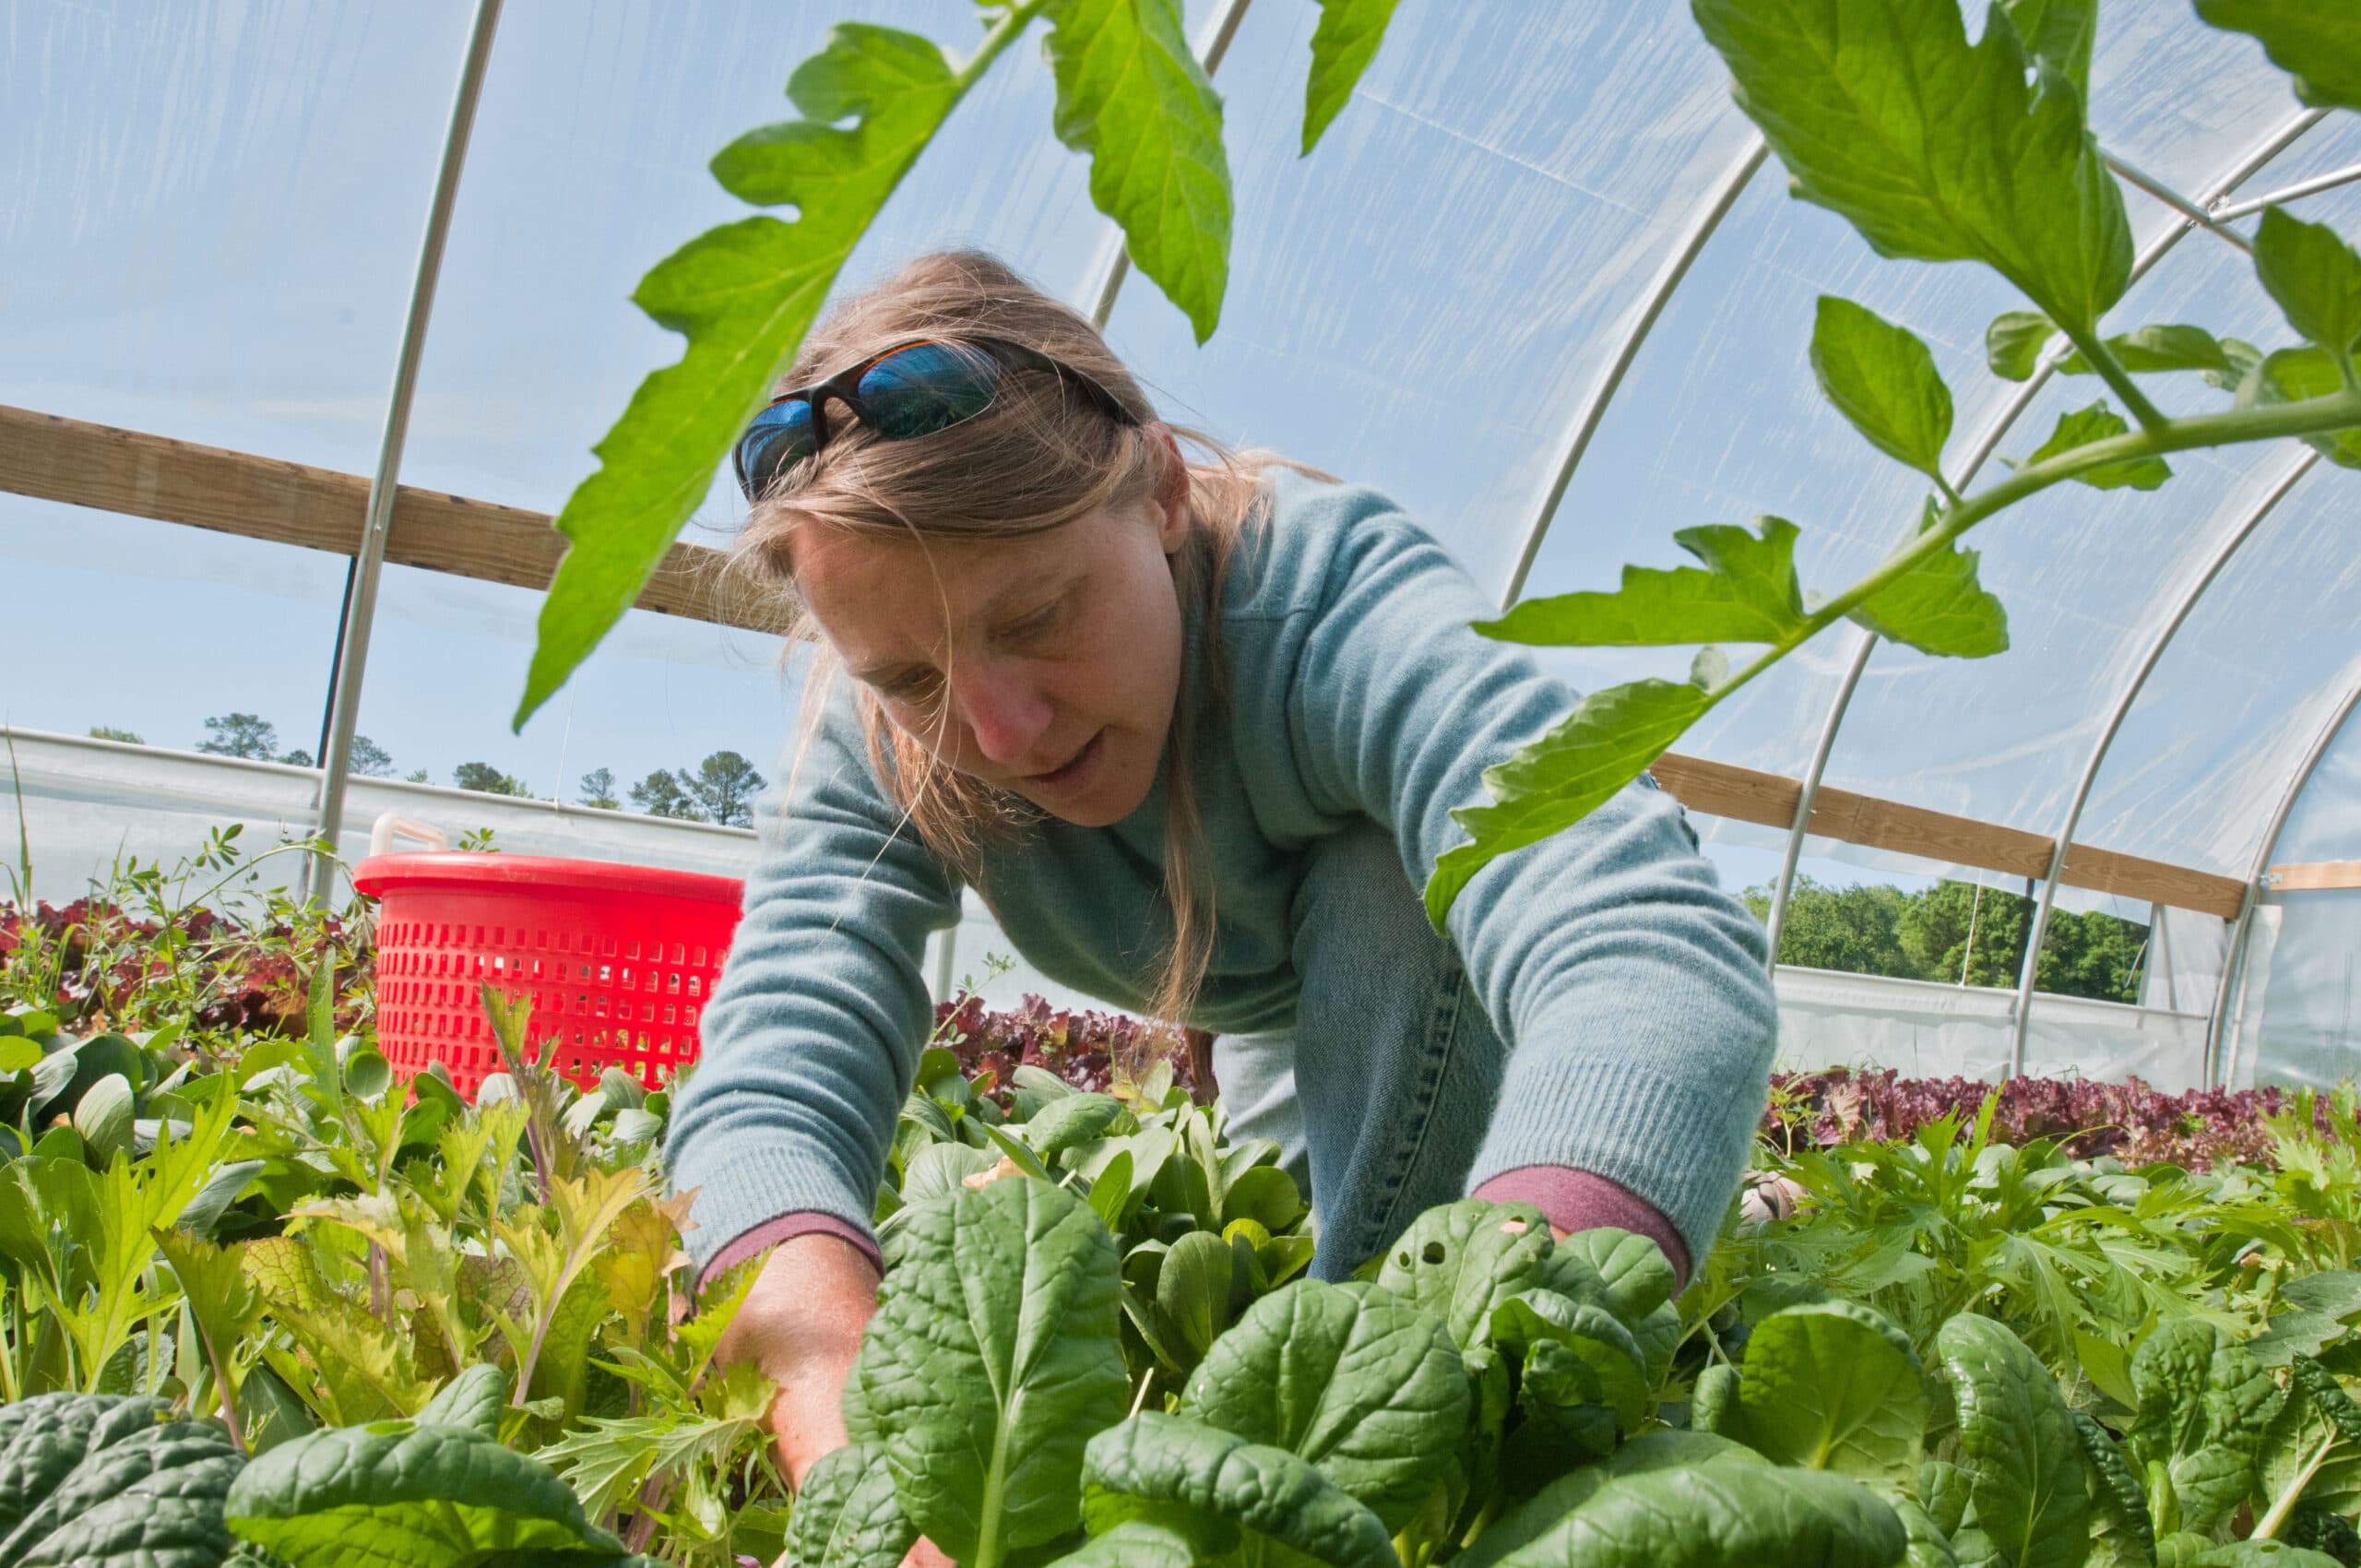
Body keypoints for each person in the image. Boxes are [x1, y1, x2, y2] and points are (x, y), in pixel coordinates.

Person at [666, 250, 1777, 1492]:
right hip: (1290, 1045)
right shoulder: (884, 733)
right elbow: (769, 1073)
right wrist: (841, 1418)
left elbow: (1646, 941)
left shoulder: (1327, 601)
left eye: (1036, 617)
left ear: (1159, 491)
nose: (1000, 733)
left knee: (1414, 879)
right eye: (914, 679)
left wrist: (1475, 1345)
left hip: (1455, 999)